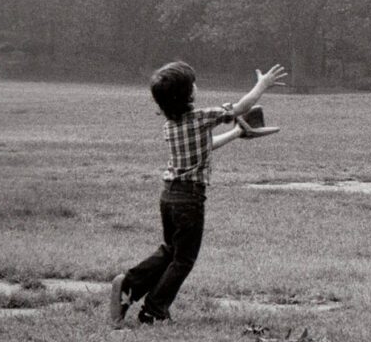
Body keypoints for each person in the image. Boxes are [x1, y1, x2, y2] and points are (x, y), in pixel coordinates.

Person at [110, 61, 289, 327]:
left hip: (169, 196)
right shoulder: (201, 117)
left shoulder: (171, 124)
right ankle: (154, 309)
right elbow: (241, 108)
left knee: (171, 251)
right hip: (190, 199)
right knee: (183, 259)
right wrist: (262, 85)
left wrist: (236, 132)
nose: (196, 85)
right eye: (193, 82)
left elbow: (204, 147)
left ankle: (130, 284)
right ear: (188, 94)